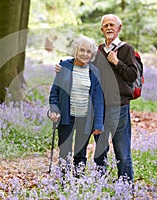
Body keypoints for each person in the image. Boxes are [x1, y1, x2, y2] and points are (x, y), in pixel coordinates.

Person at [55, 14, 137, 183]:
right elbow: (83, 61)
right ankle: (101, 182)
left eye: (112, 25)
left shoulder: (126, 49)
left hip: (118, 106)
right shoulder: (98, 51)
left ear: (119, 28)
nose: (109, 28)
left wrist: (117, 62)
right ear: (102, 29)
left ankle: (126, 185)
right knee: (101, 149)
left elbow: (132, 75)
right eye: (105, 25)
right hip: (98, 107)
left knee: (122, 150)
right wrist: (62, 65)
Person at [48, 35, 104, 178]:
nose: (85, 54)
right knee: (64, 152)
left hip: (85, 119)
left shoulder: (94, 72)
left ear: (92, 55)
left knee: (80, 153)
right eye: (82, 50)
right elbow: (54, 93)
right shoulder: (64, 67)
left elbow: (98, 100)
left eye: (88, 52)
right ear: (75, 51)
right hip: (66, 118)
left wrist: (98, 123)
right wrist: (54, 110)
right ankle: (64, 182)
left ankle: (78, 181)